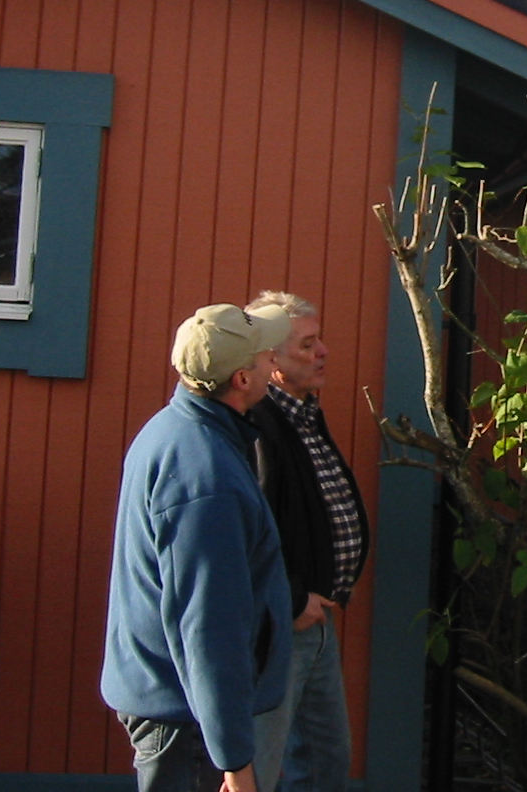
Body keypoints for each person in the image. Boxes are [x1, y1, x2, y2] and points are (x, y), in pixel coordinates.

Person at [102, 303, 295, 792]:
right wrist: (235, 760)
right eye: (263, 355)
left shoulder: (175, 430)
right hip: (187, 721)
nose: (273, 360)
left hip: (181, 708)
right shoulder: (205, 475)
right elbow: (208, 625)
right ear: (242, 379)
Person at [246, 291, 370, 792]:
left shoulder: (304, 415)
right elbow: (251, 532)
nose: (323, 352)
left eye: (320, 341)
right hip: (280, 622)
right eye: (307, 344)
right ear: (271, 360)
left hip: (316, 620)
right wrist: (293, 599)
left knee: (324, 760)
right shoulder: (259, 425)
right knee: (259, 762)